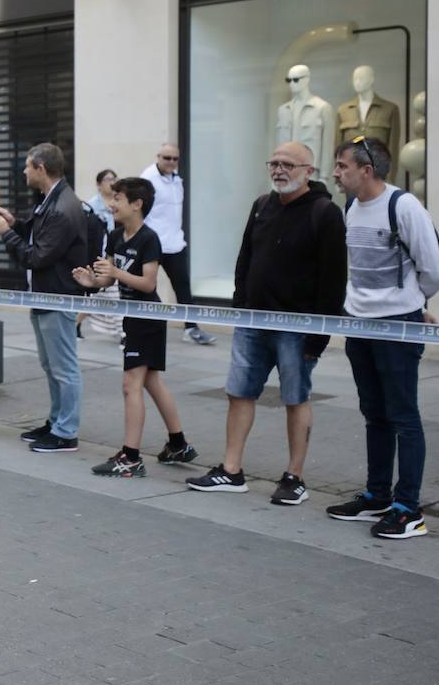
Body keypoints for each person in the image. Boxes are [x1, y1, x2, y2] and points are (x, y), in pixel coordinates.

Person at [185, 143, 346, 505]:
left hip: (296, 328)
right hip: (252, 323)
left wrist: (317, 339)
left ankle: (294, 478)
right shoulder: (261, 205)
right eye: (273, 163)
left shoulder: (325, 213)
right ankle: (231, 470)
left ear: (308, 171)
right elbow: (245, 258)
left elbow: (333, 281)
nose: (278, 170)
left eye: (288, 164)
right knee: (239, 393)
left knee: (295, 398)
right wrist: (241, 306)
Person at [325, 137, 439, 540]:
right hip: (360, 325)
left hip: (395, 327)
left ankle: (408, 509)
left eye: (342, 166)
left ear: (366, 170)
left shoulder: (403, 207)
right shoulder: (352, 207)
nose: (336, 173)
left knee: (404, 416)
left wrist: (410, 302)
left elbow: (432, 267)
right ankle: (377, 495)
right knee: (374, 413)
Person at [74, 177, 195, 477]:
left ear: (136, 204)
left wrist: (114, 271)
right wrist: (93, 282)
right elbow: (110, 279)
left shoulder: (149, 239)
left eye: (117, 198)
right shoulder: (116, 236)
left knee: (131, 385)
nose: (111, 204)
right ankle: (179, 443)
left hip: (148, 318)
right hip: (133, 317)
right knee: (151, 382)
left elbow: (148, 282)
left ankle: (130, 456)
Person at [0, 142, 88, 453]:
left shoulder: (61, 207)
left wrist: (6, 233)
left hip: (57, 296)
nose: (24, 171)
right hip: (46, 295)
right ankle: (56, 421)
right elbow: (38, 234)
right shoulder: (53, 199)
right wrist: (15, 223)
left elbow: (37, 256)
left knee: (64, 367)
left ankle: (66, 431)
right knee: (51, 364)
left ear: (41, 168)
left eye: (28, 166)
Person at [141, 144, 216, 345]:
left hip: (175, 243)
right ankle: (146, 325)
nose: (172, 162)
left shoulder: (177, 179)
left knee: (183, 287)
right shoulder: (147, 178)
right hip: (154, 243)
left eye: (175, 159)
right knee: (146, 286)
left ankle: (191, 328)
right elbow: (140, 211)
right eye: (167, 158)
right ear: (158, 157)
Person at [78, 169, 121, 339]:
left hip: (117, 254)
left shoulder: (118, 203)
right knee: (111, 294)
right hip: (101, 257)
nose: (112, 182)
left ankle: (75, 322)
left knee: (101, 296)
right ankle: (123, 333)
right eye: (108, 179)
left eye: (114, 178)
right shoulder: (91, 205)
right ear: (98, 184)